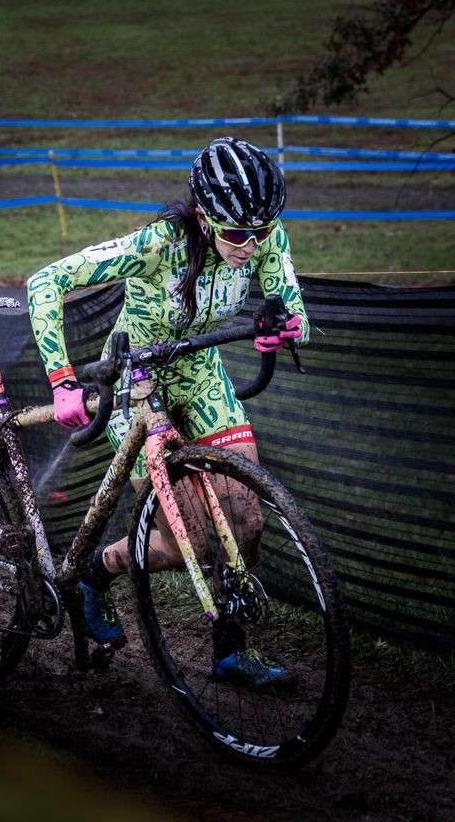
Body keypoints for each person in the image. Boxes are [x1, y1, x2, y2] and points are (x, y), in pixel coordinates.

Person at [26, 137, 307, 686]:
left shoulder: (263, 234)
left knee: (247, 520)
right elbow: (45, 282)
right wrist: (61, 380)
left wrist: (287, 322)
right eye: (235, 234)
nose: (250, 245)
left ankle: (230, 654)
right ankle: (95, 572)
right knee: (187, 543)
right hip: (135, 378)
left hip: (198, 368)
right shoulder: (158, 244)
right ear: (203, 217)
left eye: (261, 231)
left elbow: (286, 297)